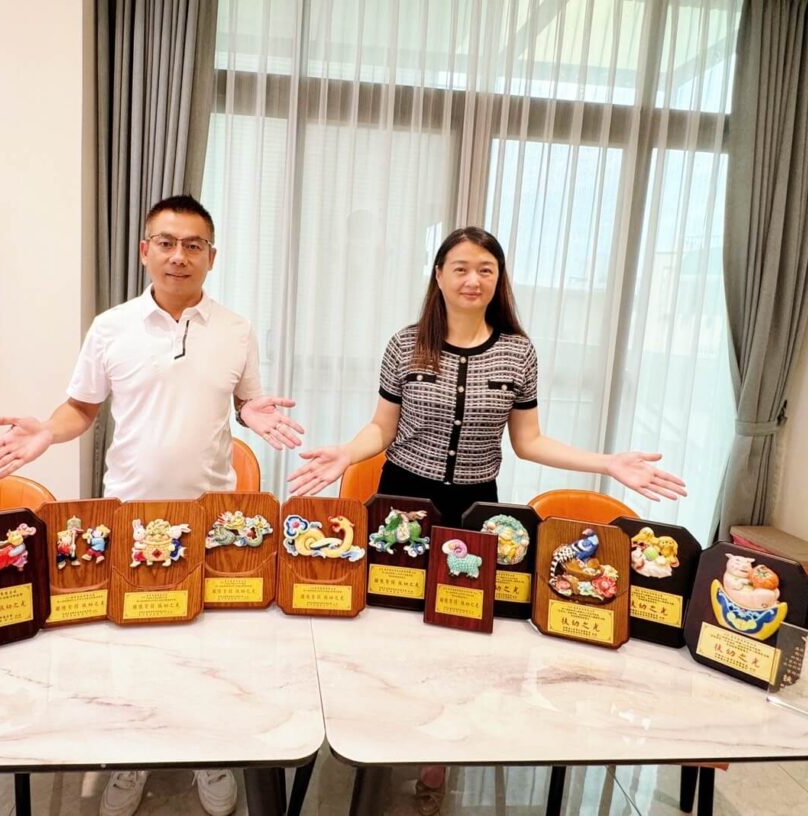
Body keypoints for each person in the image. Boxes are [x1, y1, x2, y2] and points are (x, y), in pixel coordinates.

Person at [287, 226, 685, 815]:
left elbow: (529, 441)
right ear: (439, 276)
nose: (472, 280)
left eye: (485, 270)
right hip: (403, 502)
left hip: (477, 509)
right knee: (391, 624)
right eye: (461, 268)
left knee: (458, 627)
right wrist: (347, 452)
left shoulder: (517, 353)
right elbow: (382, 427)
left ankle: (438, 749)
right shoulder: (406, 345)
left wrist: (608, 463)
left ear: (498, 280)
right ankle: (380, 728)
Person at [0, 194, 303, 816]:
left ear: (211, 257)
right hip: (127, 515)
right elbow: (81, 409)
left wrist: (250, 413)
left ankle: (208, 752)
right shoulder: (111, 326)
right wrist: (47, 431)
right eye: (167, 243)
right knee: (132, 647)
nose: (180, 256)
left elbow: (246, 402)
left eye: (194, 245)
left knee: (206, 646)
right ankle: (131, 755)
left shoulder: (235, 329)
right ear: (146, 250)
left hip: (211, 519)